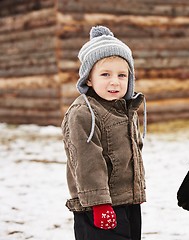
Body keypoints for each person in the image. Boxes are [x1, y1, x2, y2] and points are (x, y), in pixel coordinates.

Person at [61, 25, 146, 240]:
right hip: (98, 207)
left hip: (127, 201)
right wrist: (99, 204)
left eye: (122, 75)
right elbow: (86, 162)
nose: (115, 81)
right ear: (89, 78)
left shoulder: (125, 109)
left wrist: (136, 191)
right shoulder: (83, 114)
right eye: (105, 74)